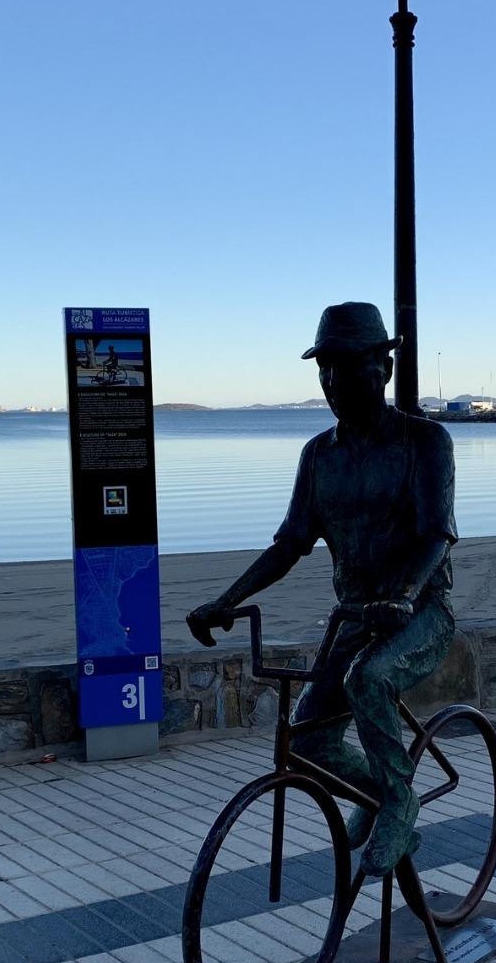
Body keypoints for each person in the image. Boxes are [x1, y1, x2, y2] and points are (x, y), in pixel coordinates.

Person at [188, 302, 456, 876]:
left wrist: (405, 595)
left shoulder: (426, 442)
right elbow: (290, 544)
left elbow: (438, 535)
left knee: (370, 678)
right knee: (309, 743)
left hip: (420, 612)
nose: (333, 380)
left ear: (384, 368)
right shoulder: (318, 456)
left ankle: (399, 801)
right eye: (324, 368)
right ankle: (383, 796)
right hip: (354, 618)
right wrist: (227, 602)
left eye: (347, 365)